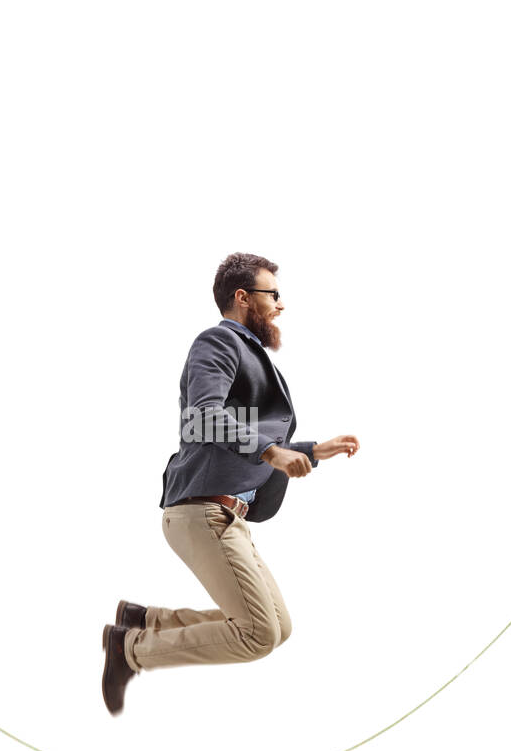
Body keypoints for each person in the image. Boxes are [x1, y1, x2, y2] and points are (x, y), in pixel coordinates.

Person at [101, 252, 360, 714]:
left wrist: (312, 451)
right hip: (203, 510)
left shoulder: (248, 351)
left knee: (279, 627)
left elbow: (242, 426)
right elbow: (204, 416)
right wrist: (271, 451)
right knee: (257, 634)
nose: (280, 304)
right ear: (243, 298)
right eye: (272, 294)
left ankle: (142, 620)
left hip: (228, 514)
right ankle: (129, 650)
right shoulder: (217, 343)